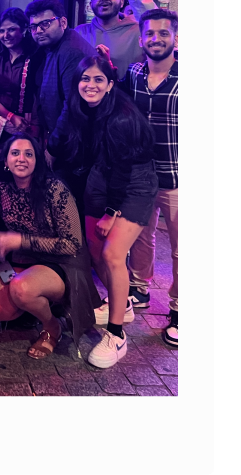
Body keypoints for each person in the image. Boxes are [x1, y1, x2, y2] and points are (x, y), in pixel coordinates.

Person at [47, 55, 158, 368]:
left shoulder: (120, 117)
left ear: (110, 84)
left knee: (112, 255)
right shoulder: (80, 108)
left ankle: (117, 334)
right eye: (85, 79)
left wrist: (111, 213)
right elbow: (59, 143)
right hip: (100, 177)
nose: (90, 85)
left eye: (98, 79)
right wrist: (67, 110)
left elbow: (124, 169)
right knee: (96, 251)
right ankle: (122, 305)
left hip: (133, 183)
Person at [0, 133, 99, 359]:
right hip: (24, 258)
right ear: (6, 160)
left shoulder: (55, 189)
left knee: (21, 289)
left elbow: (73, 245)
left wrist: (19, 241)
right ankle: (37, 306)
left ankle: (52, 326)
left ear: (37, 160)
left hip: (63, 263)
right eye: (15, 153)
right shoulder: (3, 188)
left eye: (28, 154)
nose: (21, 159)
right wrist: (0, 246)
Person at [122, 10, 179, 347]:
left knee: (182, 248)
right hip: (141, 174)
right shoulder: (134, 73)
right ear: (141, 39)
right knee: (141, 237)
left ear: (175, 37)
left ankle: (180, 310)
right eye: (150, 34)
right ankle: (139, 288)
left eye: (164, 33)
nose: (156, 39)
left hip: (178, 174)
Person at [25, 0, 91, 208]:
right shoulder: (53, 47)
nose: (38, 31)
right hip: (65, 141)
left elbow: (73, 106)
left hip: (75, 146)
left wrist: (52, 148)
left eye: (45, 24)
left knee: (68, 205)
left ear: (62, 22)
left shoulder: (71, 51)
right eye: (33, 27)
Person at [0, 7, 40, 189]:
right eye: (2, 31)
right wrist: (10, 116)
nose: (6, 35)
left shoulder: (37, 56)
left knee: (23, 179)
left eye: (11, 29)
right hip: (0, 123)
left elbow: (40, 94)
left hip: (29, 125)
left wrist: (34, 124)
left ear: (24, 29)